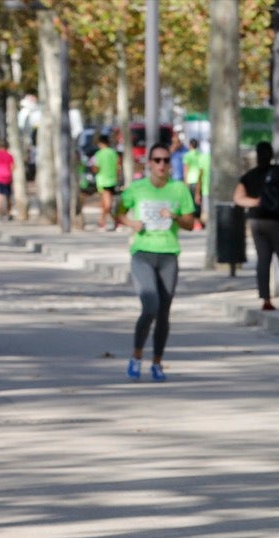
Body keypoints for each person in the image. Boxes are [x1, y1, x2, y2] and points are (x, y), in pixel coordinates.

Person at [114, 142, 198, 381]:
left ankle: (157, 363)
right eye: (157, 160)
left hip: (168, 254)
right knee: (150, 305)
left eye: (166, 160)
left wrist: (175, 216)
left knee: (163, 312)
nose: (162, 165)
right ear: (149, 163)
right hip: (143, 253)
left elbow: (190, 223)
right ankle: (136, 356)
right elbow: (118, 212)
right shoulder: (137, 188)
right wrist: (131, 223)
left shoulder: (179, 189)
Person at [234, 141, 279, 311]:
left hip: (257, 221)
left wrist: (255, 201)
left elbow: (237, 198)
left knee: (263, 260)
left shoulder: (249, 176)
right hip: (278, 221)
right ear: (271, 154)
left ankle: (266, 299)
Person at [92, 133, 121, 231]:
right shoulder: (114, 153)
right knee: (105, 204)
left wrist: (94, 170)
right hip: (112, 181)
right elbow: (118, 167)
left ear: (100, 143)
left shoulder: (99, 154)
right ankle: (105, 223)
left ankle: (113, 222)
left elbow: (96, 168)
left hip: (103, 181)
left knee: (107, 205)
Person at [182, 138, 206, 225]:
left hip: (191, 180)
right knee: (198, 201)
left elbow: (186, 169)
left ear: (190, 145)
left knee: (191, 202)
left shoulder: (187, 155)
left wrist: (186, 181)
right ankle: (198, 221)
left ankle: (194, 221)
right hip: (199, 181)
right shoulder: (201, 155)